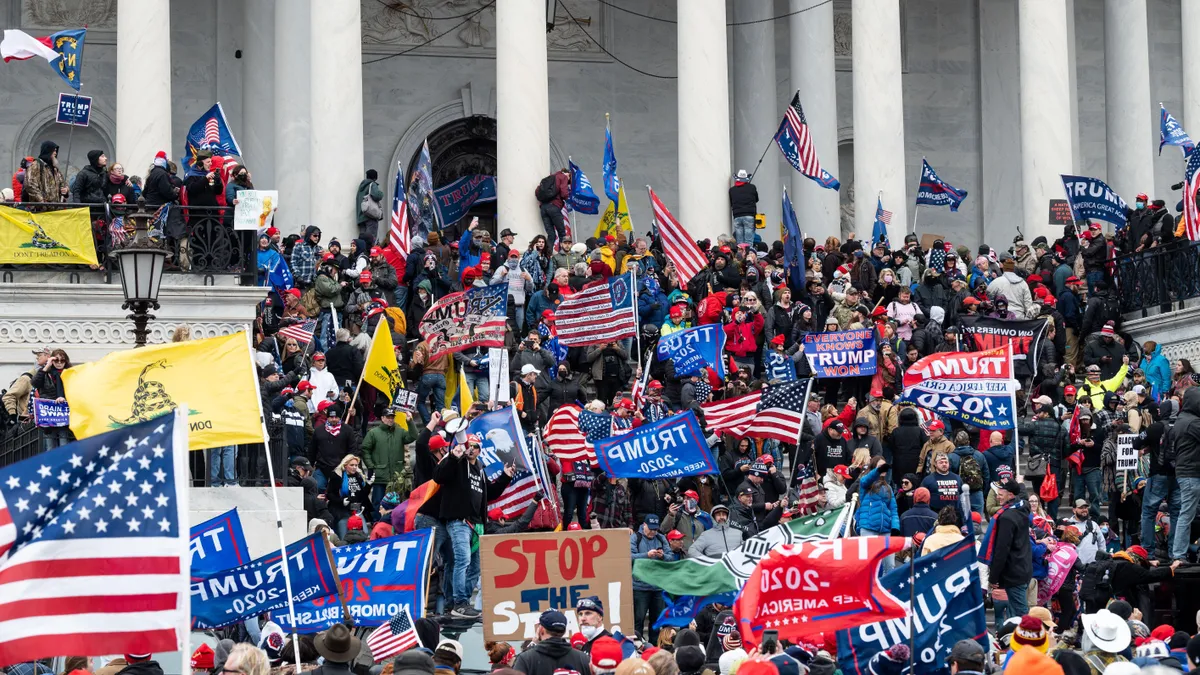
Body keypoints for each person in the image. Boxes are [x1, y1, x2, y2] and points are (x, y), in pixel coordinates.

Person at [435, 433, 513, 619]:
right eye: (469, 445)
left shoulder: (480, 469)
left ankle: (463, 603)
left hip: (477, 524)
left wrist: (505, 477)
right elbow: (439, 476)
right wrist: (454, 456)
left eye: (476, 446)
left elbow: (490, 494)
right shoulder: (457, 465)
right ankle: (459, 603)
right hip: (459, 521)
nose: (472, 449)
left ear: (479, 451)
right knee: (462, 561)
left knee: (476, 567)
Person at [987, 480, 1032, 623]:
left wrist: (993, 577)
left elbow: (1002, 550)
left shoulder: (1007, 517)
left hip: (1014, 573)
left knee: (1021, 616)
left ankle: (1031, 640)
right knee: (1015, 617)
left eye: (1000, 494)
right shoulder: (1022, 508)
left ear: (1010, 495)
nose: (998, 497)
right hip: (1022, 569)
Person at [631, 515, 674, 643]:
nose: (653, 532)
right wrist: (646, 555)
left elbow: (671, 557)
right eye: (650, 529)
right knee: (638, 620)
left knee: (656, 621)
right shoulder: (635, 538)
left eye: (655, 529)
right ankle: (638, 646)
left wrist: (662, 556)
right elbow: (629, 557)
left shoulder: (661, 538)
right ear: (644, 525)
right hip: (640, 587)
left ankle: (654, 647)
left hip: (657, 587)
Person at [512, 610, 592, 675]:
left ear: (541, 630)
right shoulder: (584, 659)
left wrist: (533, 642)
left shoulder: (526, 659)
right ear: (563, 631)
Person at [1172, 386, 1200, 563]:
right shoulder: (1193, 422)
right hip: (1192, 473)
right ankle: (1179, 554)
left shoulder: (1182, 419)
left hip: (1186, 472)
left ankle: (1179, 553)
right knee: (1186, 514)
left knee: (1186, 514)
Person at [728, 170, 758, 247]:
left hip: (737, 216)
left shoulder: (732, 190)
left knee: (739, 241)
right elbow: (756, 199)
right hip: (749, 215)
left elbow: (731, 202)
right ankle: (748, 255)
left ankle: (741, 255)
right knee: (749, 241)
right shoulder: (752, 187)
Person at [356, 169, 384, 246]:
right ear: (375, 177)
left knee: (362, 240)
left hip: (361, 217)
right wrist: (381, 194)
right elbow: (376, 195)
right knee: (370, 239)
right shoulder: (372, 184)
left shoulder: (361, 186)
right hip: (370, 215)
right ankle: (369, 255)